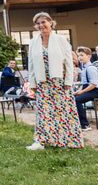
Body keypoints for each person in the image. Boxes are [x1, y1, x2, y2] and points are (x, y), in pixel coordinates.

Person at [26, 12, 82, 150]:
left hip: (60, 82)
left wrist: (69, 81)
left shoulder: (61, 40)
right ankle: (41, 141)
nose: (41, 25)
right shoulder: (33, 42)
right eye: (38, 23)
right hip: (42, 82)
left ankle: (67, 141)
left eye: (43, 22)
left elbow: (69, 62)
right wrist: (32, 83)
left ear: (51, 22)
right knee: (43, 113)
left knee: (63, 112)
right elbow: (31, 64)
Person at [74, 47, 98, 131]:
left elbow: (93, 84)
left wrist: (82, 91)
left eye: (82, 55)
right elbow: (84, 84)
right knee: (73, 98)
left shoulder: (91, 68)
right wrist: (78, 91)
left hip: (95, 91)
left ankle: (85, 125)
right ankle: (76, 122)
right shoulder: (84, 68)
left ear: (89, 56)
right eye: (78, 56)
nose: (80, 57)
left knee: (77, 100)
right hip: (88, 90)